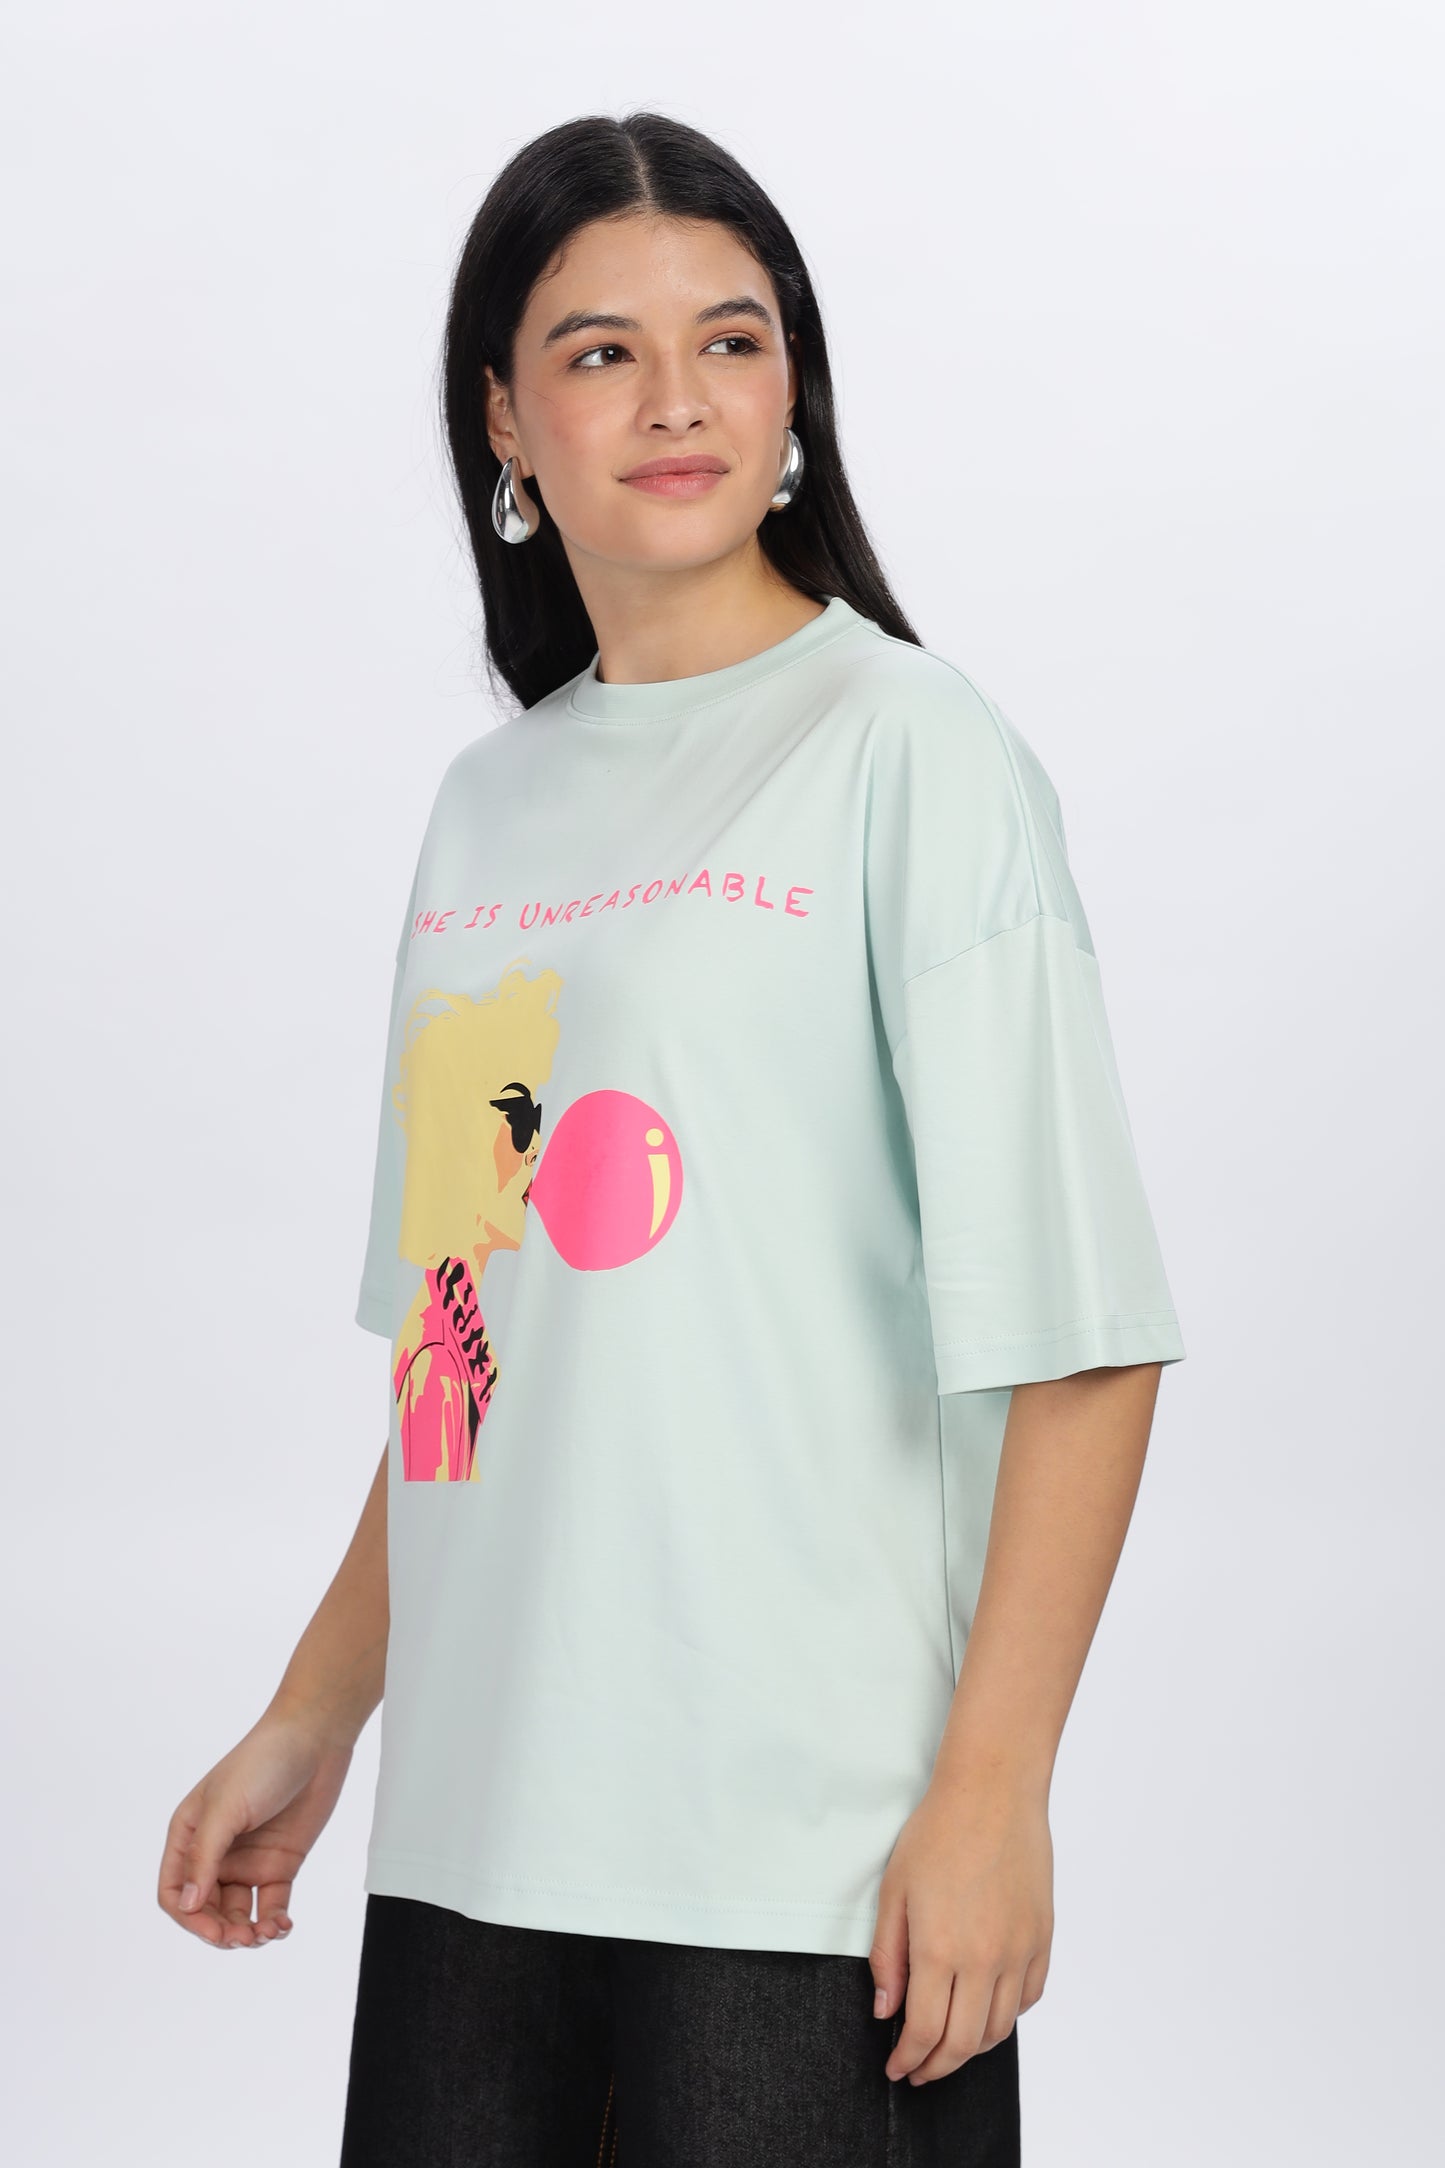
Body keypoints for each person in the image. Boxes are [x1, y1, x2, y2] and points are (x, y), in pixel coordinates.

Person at [157, 109, 1186, 2167]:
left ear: (795, 385)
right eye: (600, 352)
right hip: (475, 1847)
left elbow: (1080, 1338)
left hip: (801, 1862)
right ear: (505, 421)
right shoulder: (489, 812)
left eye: (730, 339)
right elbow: (462, 1348)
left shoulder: (914, 757)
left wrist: (995, 1791)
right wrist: (315, 1708)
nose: (678, 399)